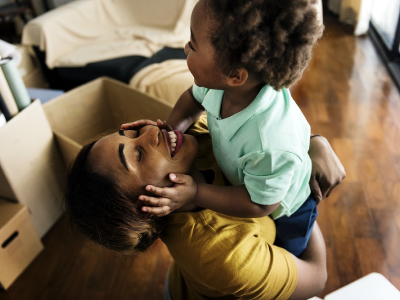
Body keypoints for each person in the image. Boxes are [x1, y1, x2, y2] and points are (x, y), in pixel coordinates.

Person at [121, 0, 325, 257]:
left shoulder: (270, 143)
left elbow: (260, 202)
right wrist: (171, 130)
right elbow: (191, 99)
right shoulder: (221, 85)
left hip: (287, 207)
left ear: (235, 75)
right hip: (252, 178)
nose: (185, 47)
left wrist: (196, 193)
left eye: (193, 45)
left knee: (287, 251)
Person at [64, 117, 345, 300]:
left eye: (133, 132)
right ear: (147, 208)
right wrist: (300, 193)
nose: (151, 131)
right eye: (137, 154)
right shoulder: (226, 258)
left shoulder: (194, 139)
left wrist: (311, 143)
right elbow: (317, 276)